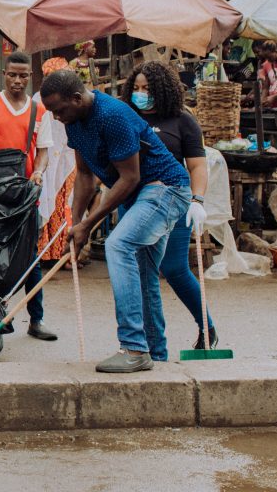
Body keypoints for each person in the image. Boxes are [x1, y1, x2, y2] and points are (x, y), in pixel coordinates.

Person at [40, 68, 197, 373]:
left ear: (76, 98)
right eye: (52, 113)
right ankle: (156, 352)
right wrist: (76, 222)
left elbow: (129, 177)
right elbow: (85, 176)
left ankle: (134, 347)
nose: (57, 118)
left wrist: (89, 225)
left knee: (118, 245)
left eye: (59, 110)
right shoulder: (74, 122)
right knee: (142, 273)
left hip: (166, 188)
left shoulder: (112, 115)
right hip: (142, 194)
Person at [121, 62, 217, 354]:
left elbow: (197, 165)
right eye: (135, 88)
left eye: (146, 89)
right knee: (140, 274)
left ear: (161, 90)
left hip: (174, 202)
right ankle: (149, 345)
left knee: (174, 268)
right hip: (133, 202)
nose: (140, 94)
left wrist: (197, 201)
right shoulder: (125, 116)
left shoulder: (182, 121)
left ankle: (206, 326)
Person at [0, 50, 57, 341]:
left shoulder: (38, 111)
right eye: (12, 75)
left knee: (29, 256)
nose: (18, 81)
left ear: (30, 78)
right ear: (4, 75)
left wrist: (39, 172)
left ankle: (37, 318)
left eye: (23, 76)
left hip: (23, 193)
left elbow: (42, 151)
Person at [35, 57, 76, 264]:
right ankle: (44, 252)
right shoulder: (37, 101)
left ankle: (63, 254)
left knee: (65, 203)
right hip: (44, 159)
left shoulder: (73, 100)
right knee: (45, 200)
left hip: (68, 158)